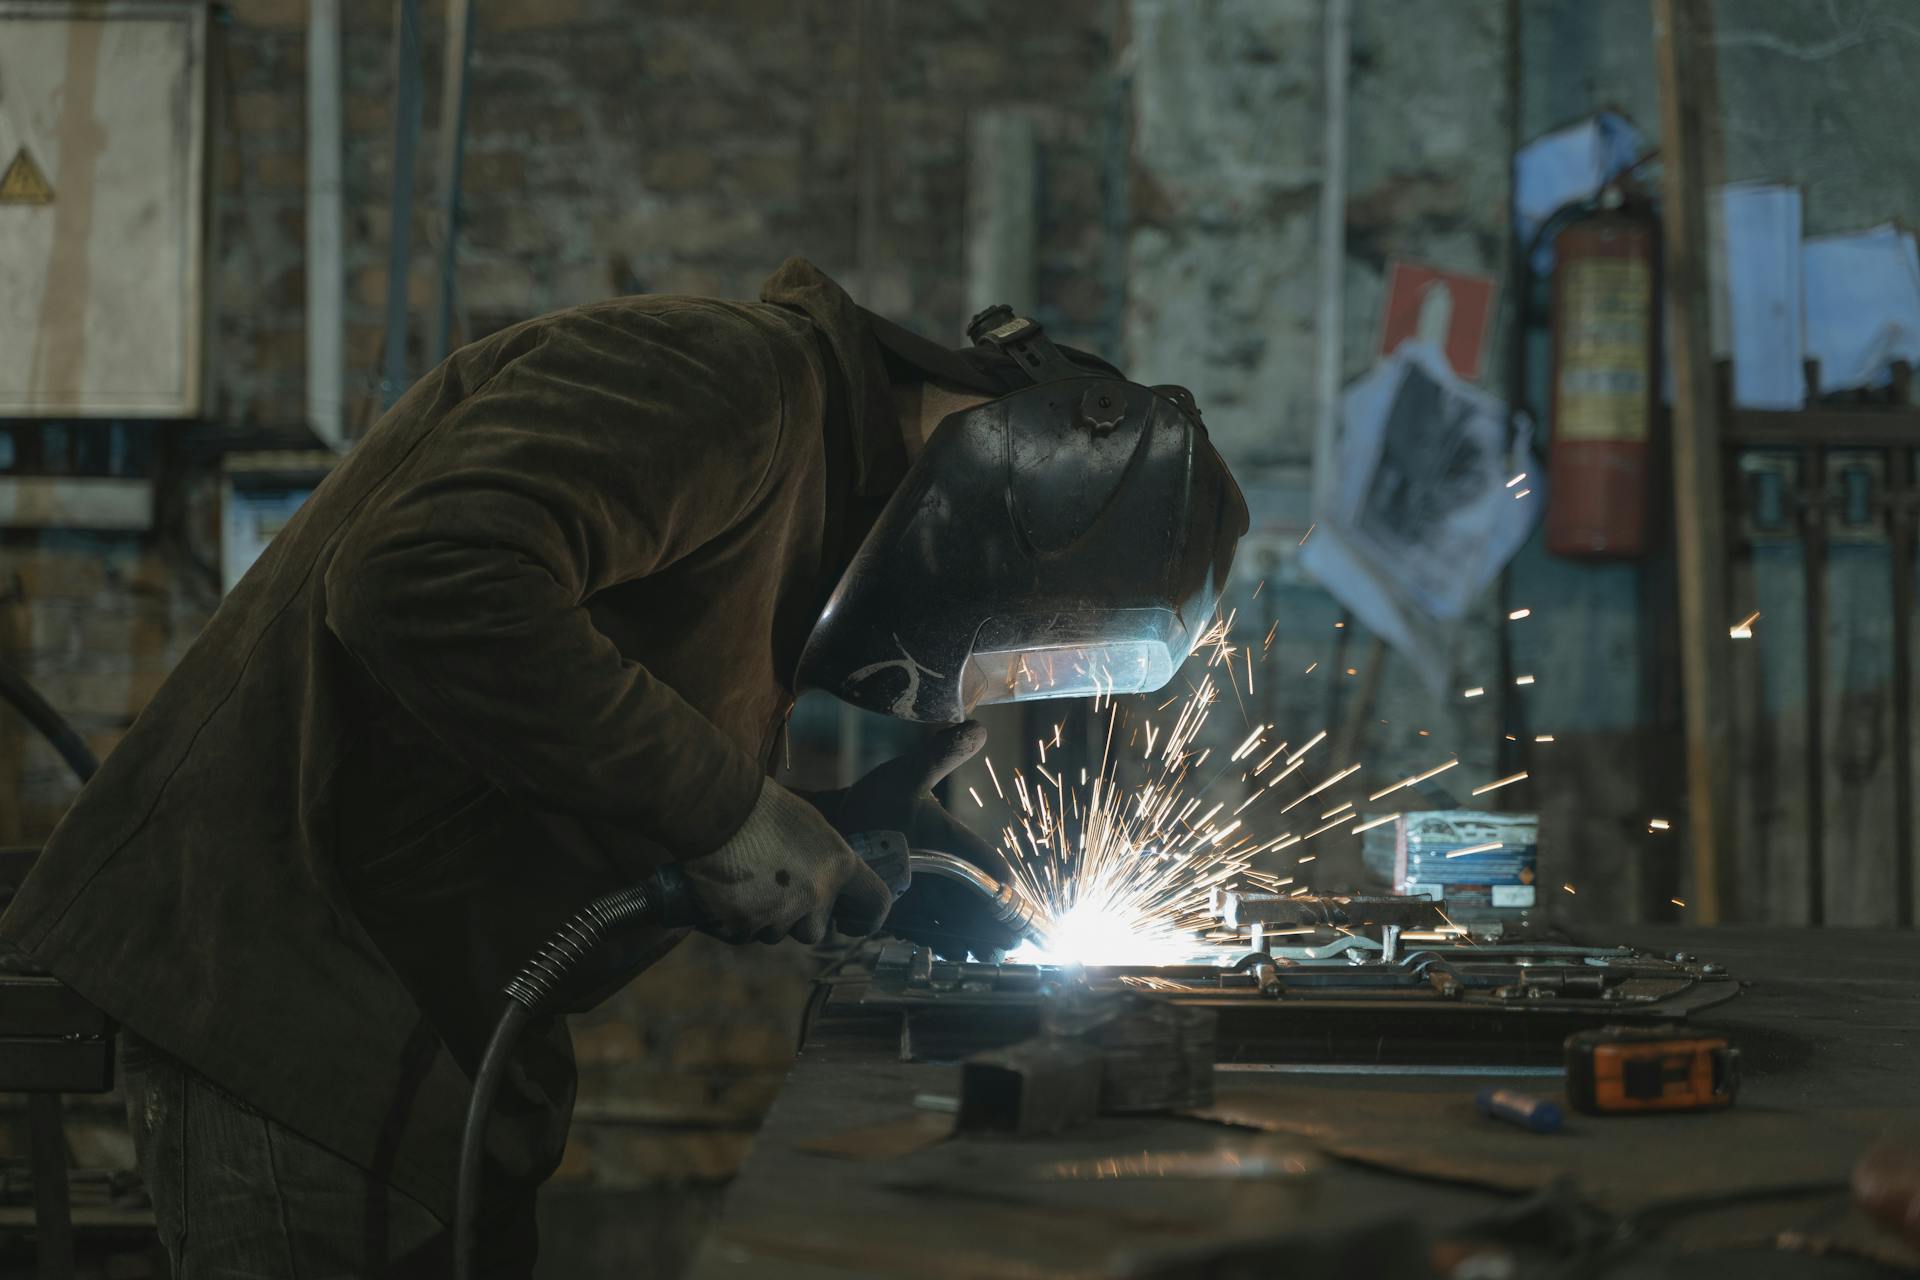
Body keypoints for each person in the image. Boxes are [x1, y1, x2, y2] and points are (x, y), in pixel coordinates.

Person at [0, 258, 1245, 1277]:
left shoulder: (807, 513)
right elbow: (421, 578)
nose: (979, 674)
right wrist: (721, 806)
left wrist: (827, 826)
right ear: (1024, 483)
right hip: (291, 1001)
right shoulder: (728, 384)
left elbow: (579, 736)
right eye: (1024, 638)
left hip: (427, 1039)